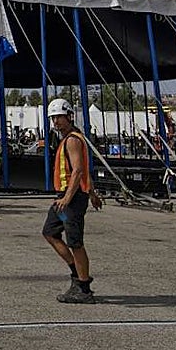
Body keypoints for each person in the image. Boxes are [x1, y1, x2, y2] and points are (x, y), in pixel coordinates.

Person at [41, 98, 103, 304]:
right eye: (53, 118)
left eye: (59, 117)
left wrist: (67, 197)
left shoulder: (73, 140)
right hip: (66, 198)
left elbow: (77, 171)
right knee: (50, 232)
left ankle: (83, 288)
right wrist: (93, 193)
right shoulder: (68, 138)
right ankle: (76, 272)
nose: (56, 121)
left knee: (75, 241)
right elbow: (84, 171)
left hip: (72, 199)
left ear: (69, 116)